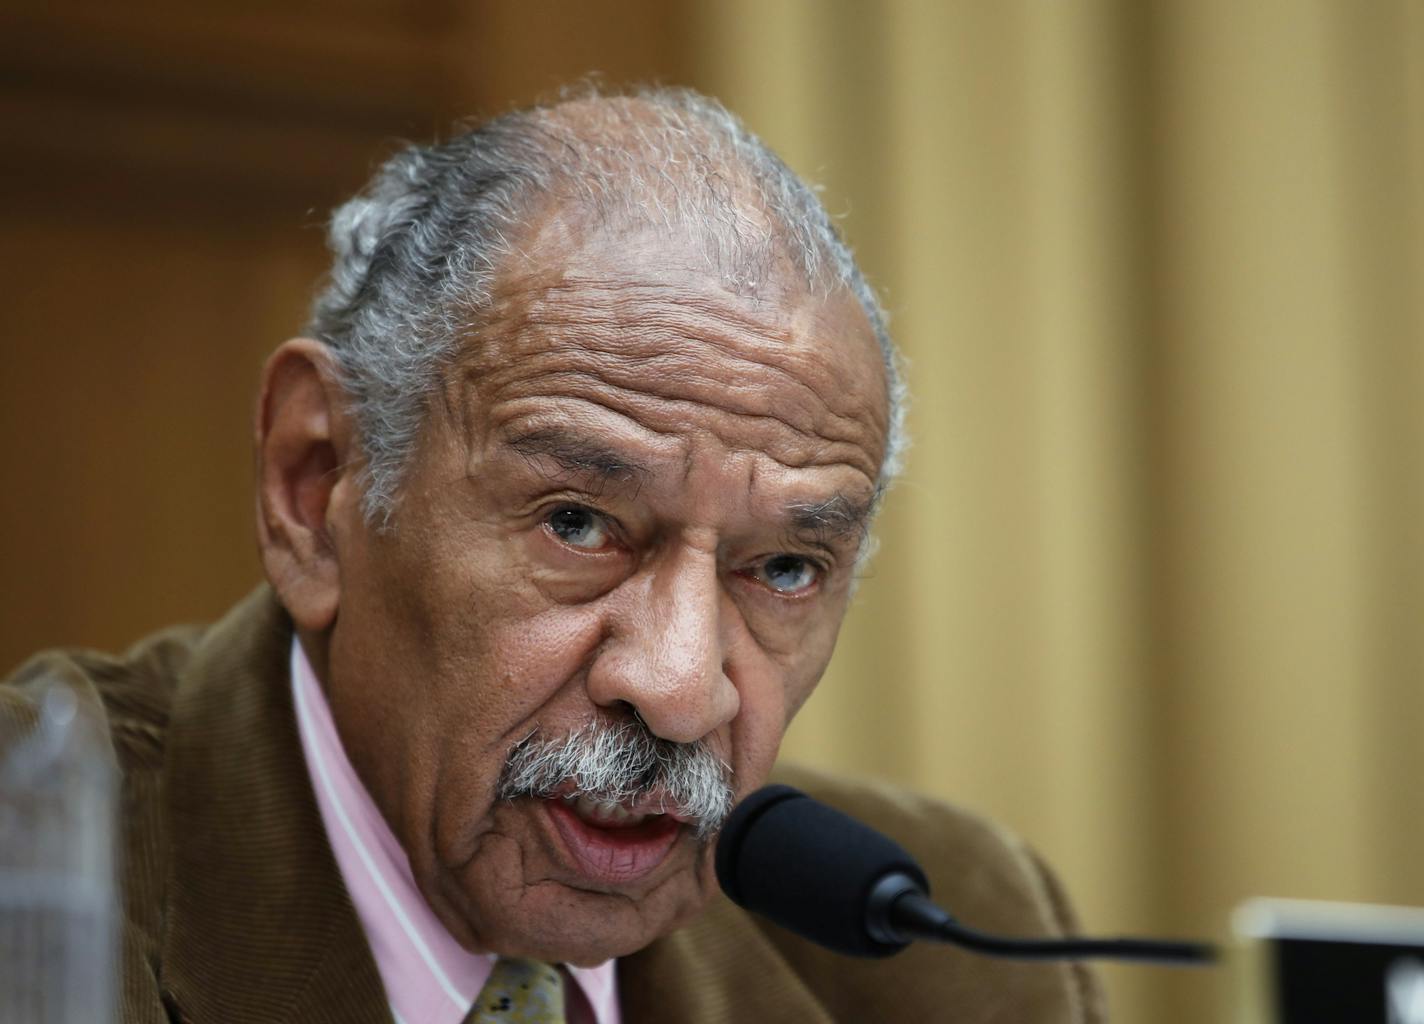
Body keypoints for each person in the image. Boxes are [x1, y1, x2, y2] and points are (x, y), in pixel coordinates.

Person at [0, 87, 1104, 1022]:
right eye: (577, 523)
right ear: (315, 482)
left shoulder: (954, 938)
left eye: (780, 568)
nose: (679, 690)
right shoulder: (35, 877)